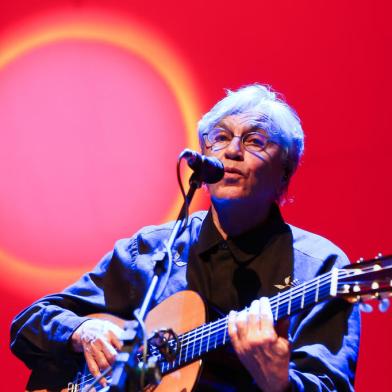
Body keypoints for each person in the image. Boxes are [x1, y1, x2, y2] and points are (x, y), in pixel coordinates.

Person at [11, 84, 360, 391]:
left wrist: (280, 383)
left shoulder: (319, 267)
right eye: (220, 138)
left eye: (254, 141)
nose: (232, 151)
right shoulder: (152, 250)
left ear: (283, 178)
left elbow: (331, 384)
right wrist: (81, 331)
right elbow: (30, 322)